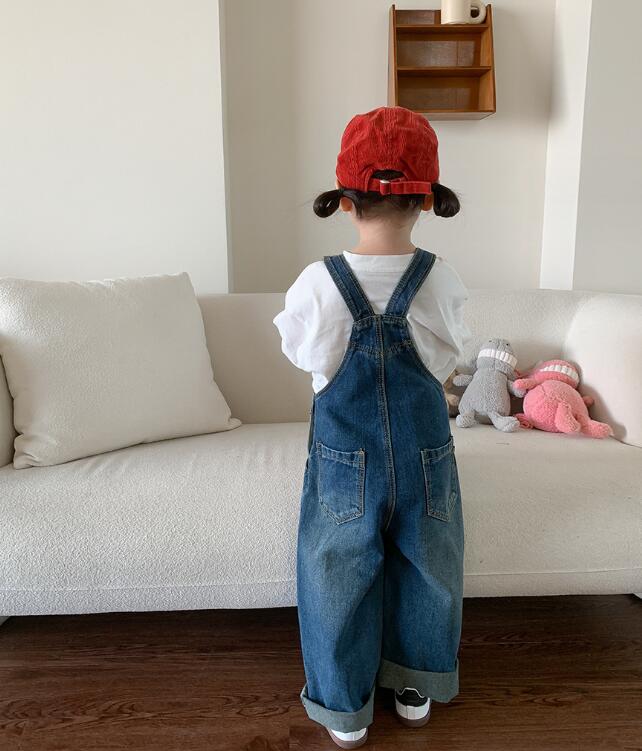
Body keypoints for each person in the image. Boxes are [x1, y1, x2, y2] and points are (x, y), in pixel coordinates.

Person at [273, 105, 471, 749]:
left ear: (344, 201)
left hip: (342, 460)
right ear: (426, 201)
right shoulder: (441, 279)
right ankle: (415, 686)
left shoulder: (317, 282)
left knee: (335, 572)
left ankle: (344, 707)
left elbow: (300, 352)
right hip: (425, 456)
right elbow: (447, 358)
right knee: (429, 566)